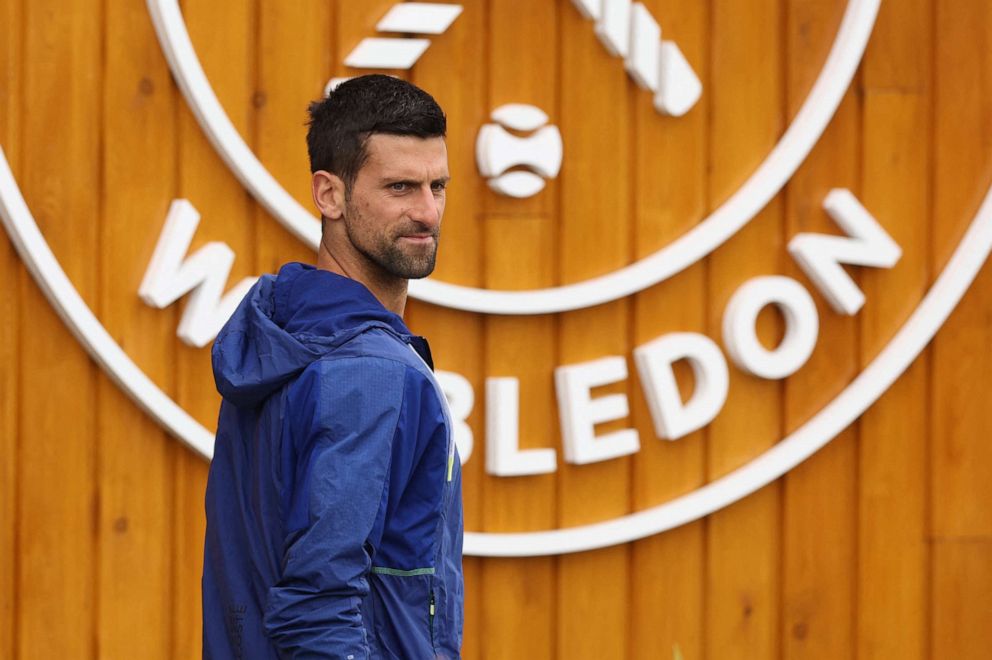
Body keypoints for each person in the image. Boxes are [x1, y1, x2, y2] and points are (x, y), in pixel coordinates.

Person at [202, 74, 463, 659]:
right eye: (400, 187)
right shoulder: (369, 371)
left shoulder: (280, 340)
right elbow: (318, 610)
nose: (427, 212)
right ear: (329, 195)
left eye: (437, 186)